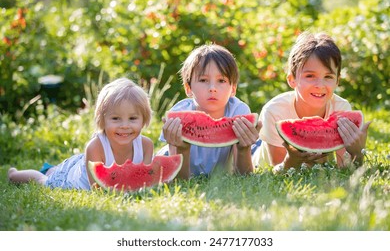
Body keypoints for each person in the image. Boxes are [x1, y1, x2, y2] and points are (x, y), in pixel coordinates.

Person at [252, 31, 371, 172]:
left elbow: (346, 170)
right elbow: (277, 171)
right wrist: (292, 161)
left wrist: (357, 152)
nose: (320, 85)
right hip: (259, 160)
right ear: (292, 79)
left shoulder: (341, 109)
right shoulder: (274, 111)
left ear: (337, 81)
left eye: (328, 76)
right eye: (310, 76)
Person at [8, 78, 154, 189]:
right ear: (102, 120)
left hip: (79, 164)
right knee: (45, 181)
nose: (124, 126)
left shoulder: (146, 146)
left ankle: (52, 169)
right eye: (115, 118)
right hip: (74, 177)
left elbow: (145, 180)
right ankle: (14, 174)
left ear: (144, 120)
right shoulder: (96, 147)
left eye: (133, 118)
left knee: (54, 170)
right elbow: (97, 188)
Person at [157, 44, 261, 179]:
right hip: (179, 167)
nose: (212, 88)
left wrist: (244, 149)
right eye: (203, 80)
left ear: (233, 89)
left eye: (221, 80)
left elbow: (243, 176)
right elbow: (179, 181)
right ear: (188, 88)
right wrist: (181, 149)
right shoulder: (179, 114)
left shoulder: (238, 111)